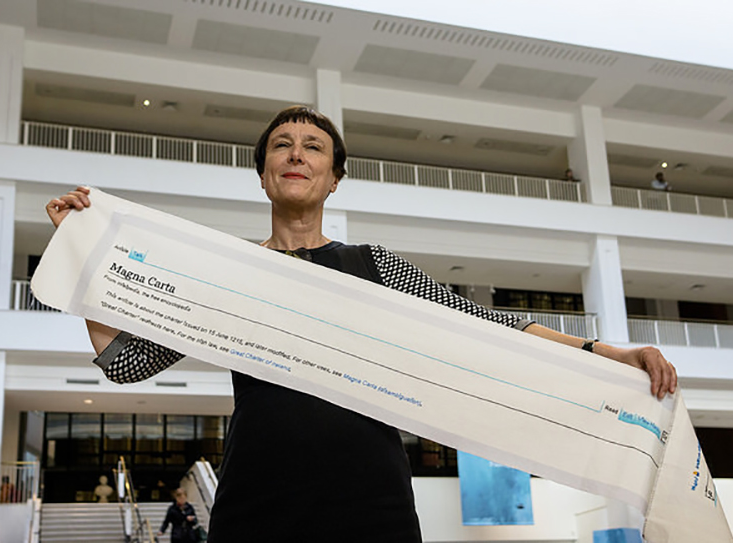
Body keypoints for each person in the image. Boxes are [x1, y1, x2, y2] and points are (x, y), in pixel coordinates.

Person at [46, 106, 677, 542]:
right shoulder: (230, 271)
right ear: (264, 176)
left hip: (369, 502)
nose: (296, 154)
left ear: (334, 180)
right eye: (281, 148)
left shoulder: (373, 266)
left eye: (313, 147)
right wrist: (85, 260)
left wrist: (604, 352)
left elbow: (486, 325)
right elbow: (126, 362)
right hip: (257, 502)